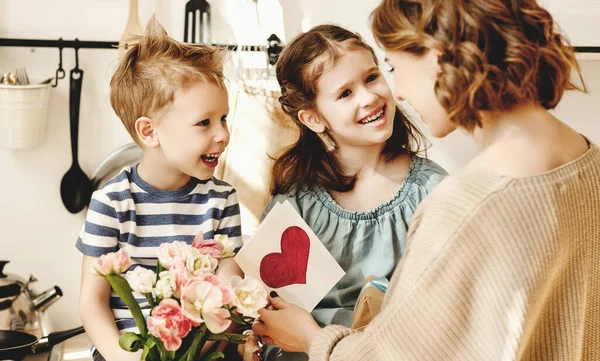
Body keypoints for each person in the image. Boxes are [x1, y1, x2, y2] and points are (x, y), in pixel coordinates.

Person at [252, 0, 600, 360]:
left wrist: (313, 340)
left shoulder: (462, 205)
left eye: (391, 68)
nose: (397, 92)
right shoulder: (590, 162)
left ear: (438, 59)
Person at [259, 24, 448, 361]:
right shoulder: (293, 203)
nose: (369, 97)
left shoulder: (433, 193)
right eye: (345, 93)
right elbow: (269, 318)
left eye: (372, 77)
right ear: (314, 119)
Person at [76, 17, 244, 361]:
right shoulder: (111, 203)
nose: (223, 134)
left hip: (201, 352)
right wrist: (123, 357)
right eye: (204, 122)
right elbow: (92, 303)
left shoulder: (221, 198)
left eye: (224, 118)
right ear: (149, 132)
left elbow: (229, 287)